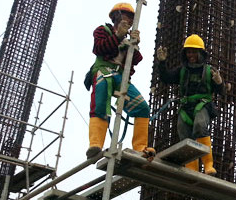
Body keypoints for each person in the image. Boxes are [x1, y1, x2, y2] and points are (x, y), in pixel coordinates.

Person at [86, 2, 155, 159]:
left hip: (121, 77)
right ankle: (95, 143)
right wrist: (117, 37)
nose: (129, 20)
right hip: (104, 71)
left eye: (131, 18)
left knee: (142, 108)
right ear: (116, 16)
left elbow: (136, 59)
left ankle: (140, 147)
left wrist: (134, 44)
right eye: (126, 16)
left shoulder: (127, 38)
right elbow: (99, 48)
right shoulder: (103, 30)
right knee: (100, 105)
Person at [156, 34, 226, 175]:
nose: (191, 55)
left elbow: (221, 91)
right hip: (185, 107)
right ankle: (191, 168)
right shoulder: (182, 70)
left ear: (200, 53)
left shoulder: (209, 71)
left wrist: (219, 82)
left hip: (202, 104)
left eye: (194, 51)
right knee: (183, 132)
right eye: (188, 51)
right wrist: (162, 63)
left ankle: (208, 165)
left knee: (200, 126)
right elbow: (166, 78)